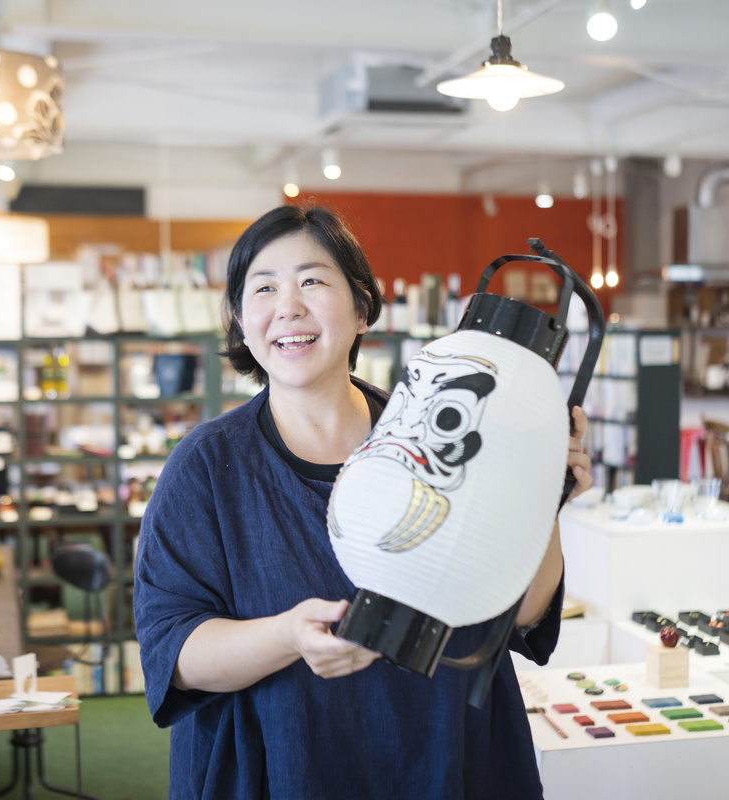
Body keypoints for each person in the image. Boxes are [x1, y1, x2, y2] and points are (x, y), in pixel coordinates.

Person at [134, 205, 593, 799]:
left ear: (362, 307)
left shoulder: (445, 426)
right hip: (283, 764)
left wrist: (540, 495)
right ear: (242, 322)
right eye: (264, 287)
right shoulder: (206, 467)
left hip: (449, 753)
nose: (288, 306)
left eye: (313, 281)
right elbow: (175, 652)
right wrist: (286, 637)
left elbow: (524, 615)